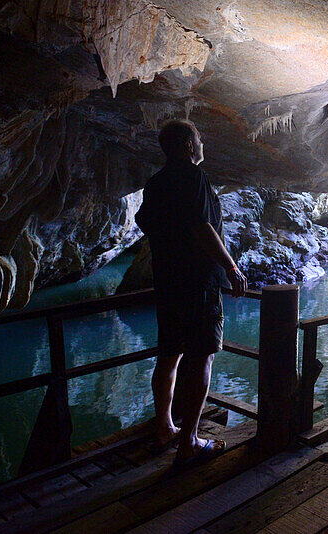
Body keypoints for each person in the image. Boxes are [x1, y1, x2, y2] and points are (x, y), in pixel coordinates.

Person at [135, 119, 248, 466]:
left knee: (169, 356)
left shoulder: (156, 183)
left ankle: (165, 428)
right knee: (201, 357)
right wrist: (231, 266)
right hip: (198, 282)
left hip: (168, 283)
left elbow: (143, 221)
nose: (203, 144)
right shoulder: (194, 176)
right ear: (188, 145)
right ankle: (189, 442)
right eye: (199, 138)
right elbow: (203, 227)